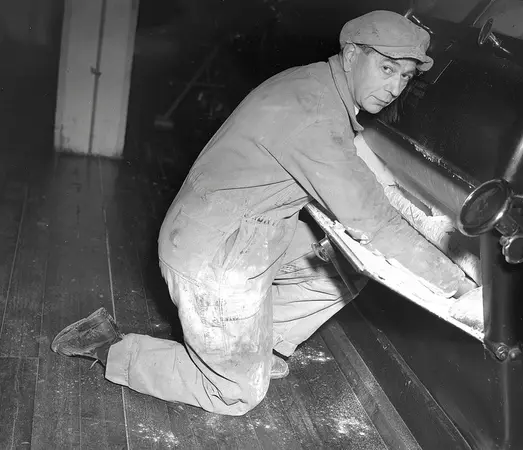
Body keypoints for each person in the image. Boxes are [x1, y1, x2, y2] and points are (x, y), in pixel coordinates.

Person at [52, 10, 465, 416]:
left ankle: (259, 348)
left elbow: (360, 186)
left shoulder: (316, 85)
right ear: (353, 54)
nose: (394, 87)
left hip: (241, 233)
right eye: (387, 68)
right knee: (235, 395)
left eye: (405, 76)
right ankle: (109, 347)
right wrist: (459, 288)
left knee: (345, 265)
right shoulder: (314, 114)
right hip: (212, 257)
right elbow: (373, 221)